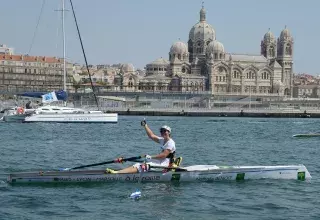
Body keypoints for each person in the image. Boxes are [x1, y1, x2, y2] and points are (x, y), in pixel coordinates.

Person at [106, 120, 176, 174]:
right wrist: (145, 125)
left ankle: (117, 173)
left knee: (142, 166)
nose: (163, 132)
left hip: (165, 165)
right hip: (160, 161)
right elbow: (151, 136)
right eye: (161, 131)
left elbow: (163, 155)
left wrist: (151, 157)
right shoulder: (162, 140)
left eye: (165, 131)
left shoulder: (170, 143)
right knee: (140, 163)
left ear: (169, 132)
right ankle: (122, 171)